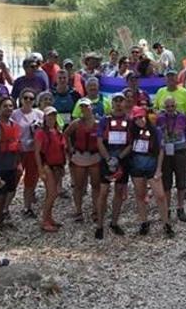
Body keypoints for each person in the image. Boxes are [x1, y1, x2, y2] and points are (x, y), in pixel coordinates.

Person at [129, 106, 172, 237]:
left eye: (141, 117)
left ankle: (166, 223)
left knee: (160, 195)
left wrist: (159, 169)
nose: (139, 121)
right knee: (140, 195)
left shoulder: (156, 131)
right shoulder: (132, 132)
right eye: (136, 119)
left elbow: (161, 151)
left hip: (152, 166)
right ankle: (144, 221)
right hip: (136, 166)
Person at [96, 91, 133, 239]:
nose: (118, 104)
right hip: (106, 157)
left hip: (122, 158)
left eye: (121, 100)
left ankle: (114, 222)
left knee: (119, 191)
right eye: (116, 101)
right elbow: (99, 141)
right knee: (103, 192)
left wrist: (119, 157)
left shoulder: (129, 121)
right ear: (112, 103)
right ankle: (99, 225)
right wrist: (107, 158)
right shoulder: (105, 120)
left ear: (125, 103)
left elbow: (131, 143)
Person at [63, 98, 101, 222]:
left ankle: (96, 210)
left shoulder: (98, 123)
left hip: (94, 157)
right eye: (82, 107)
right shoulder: (76, 123)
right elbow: (66, 134)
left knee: (95, 185)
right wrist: (70, 148)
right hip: (79, 157)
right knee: (79, 186)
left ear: (91, 107)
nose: (85, 109)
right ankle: (78, 211)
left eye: (87, 106)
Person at [0, 98, 21, 232]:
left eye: (11, 106)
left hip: (11, 165)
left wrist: (18, 164)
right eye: (5, 106)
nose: (8, 108)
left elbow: (17, 145)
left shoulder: (13, 124)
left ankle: (2, 220)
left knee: (9, 192)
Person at [158, 97, 186, 222]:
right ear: (164, 107)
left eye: (172, 106)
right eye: (168, 107)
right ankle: (167, 209)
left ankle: (180, 208)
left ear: (175, 106)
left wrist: (185, 144)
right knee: (166, 182)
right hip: (166, 152)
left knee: (181, 181)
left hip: (180, 151)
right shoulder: (160, 118)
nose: (170, 109)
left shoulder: (182, 117)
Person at [34, 106, 66, 232]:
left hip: (58, 166)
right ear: (45, 117)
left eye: (53, 115)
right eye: (49, 116)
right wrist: (40, 170)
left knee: (53, 194)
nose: (51, 118)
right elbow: (37, 152)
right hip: (47, 166)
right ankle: (44, 221)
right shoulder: (41, 132)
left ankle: (49, 218)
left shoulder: (58, 131)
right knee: (51, 194)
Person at [12, 88, 43, 217]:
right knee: (14, 179)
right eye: (26, 98)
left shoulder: (39, 114)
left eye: (31, 98)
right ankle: (5, 208)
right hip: (18, 151)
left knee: (31, 180)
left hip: (32, 151)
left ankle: (27, 207)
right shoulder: (14, 114)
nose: (28, 100)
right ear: (21, 99)